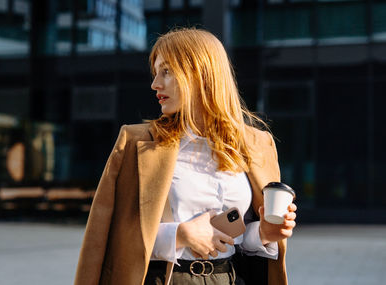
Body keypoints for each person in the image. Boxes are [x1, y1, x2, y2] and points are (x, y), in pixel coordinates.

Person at [74, 28, 297, 285]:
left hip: (232, 278)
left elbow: (240, 240)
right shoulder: (136, 142)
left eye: (166, 71)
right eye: (156, 73)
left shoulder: (257, 144)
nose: (155, 84)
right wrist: (179, 234)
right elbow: (109, 237)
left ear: (200, 73)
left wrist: (264, 233)